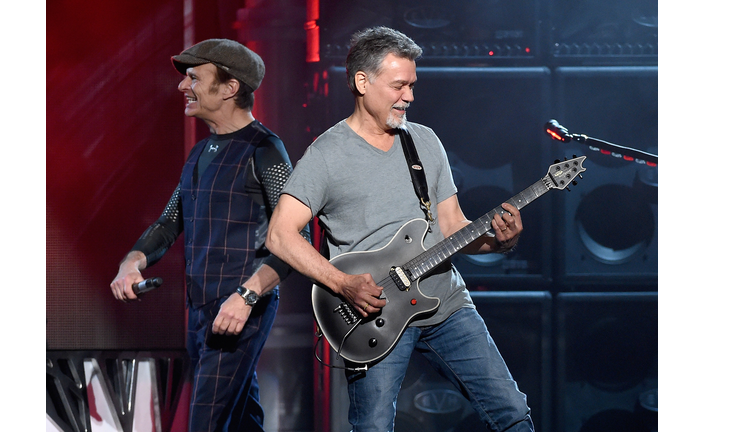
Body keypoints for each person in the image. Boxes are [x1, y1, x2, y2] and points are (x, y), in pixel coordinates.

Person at [266, 26, 534, 431]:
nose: (409, 96)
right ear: (362, 81)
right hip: (372, 314)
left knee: (512, 412)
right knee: (373, 428)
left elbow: (452, 228)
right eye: (398, 86)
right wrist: (342, 284)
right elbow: (280, 236)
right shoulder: (325, 155)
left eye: (412, 85)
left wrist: (500, 244)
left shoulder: (424, 142)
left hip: (445, 304)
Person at [109, 39, 310, 432]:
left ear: (229, 87)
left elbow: (296, 237)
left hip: (240, 309)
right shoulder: (201, 153)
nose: (183, 87)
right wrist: (131, 264)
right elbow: (169, 222)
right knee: (241, 421)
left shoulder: (265, 150)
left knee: (205, 423)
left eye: (194, 78)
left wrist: (247, 296)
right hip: (201, 312)